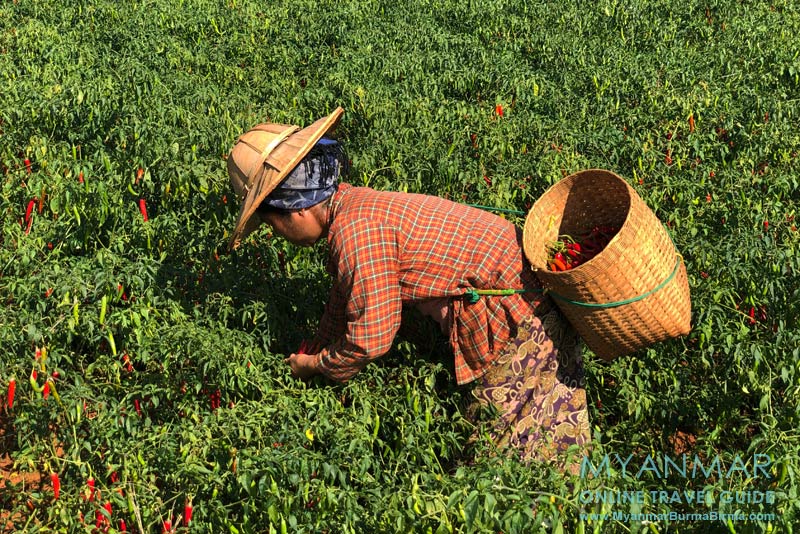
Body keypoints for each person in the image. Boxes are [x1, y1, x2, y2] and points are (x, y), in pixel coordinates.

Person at [226, 107, 590, 465]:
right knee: (556, 426)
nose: (280, 236)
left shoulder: (356, 232)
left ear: (298, 210)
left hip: (516, 316)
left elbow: (372, 338)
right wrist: (319, 344)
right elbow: (345, 298)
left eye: (275, 226)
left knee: (508, 458)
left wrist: (317, 365)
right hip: (531, 294)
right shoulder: (355, 205)